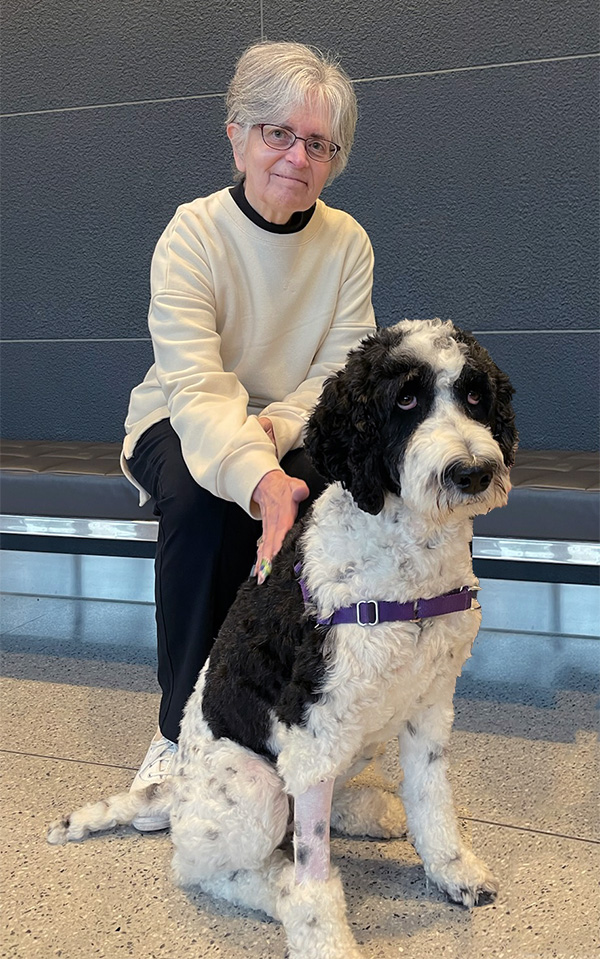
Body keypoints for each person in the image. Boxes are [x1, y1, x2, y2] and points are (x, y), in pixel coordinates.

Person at [121, 39, 376, 830]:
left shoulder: (347, 243)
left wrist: (280, 437)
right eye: (277, 133)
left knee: (341, 505)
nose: (297, 157)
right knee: (204, 502)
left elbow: (340, 368)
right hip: (179, 417)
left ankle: (296, 720)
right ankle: (178, 732)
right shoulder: (191, 234)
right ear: (236, 134)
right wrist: (256, 469)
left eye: (319, 144)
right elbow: (195, 383)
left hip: (284, 421)